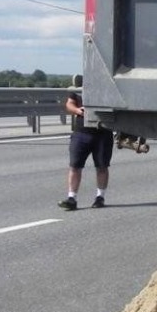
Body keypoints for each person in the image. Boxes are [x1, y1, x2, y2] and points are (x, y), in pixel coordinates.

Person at [58, 75, 113, 210]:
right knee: (75, 166)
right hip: (81, 133)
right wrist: (78, 110)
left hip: (103, 132)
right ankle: (72, 198)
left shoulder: (108, 86)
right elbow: (69, 104)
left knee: (102, 166)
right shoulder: (80, 87)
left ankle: (100, 197)